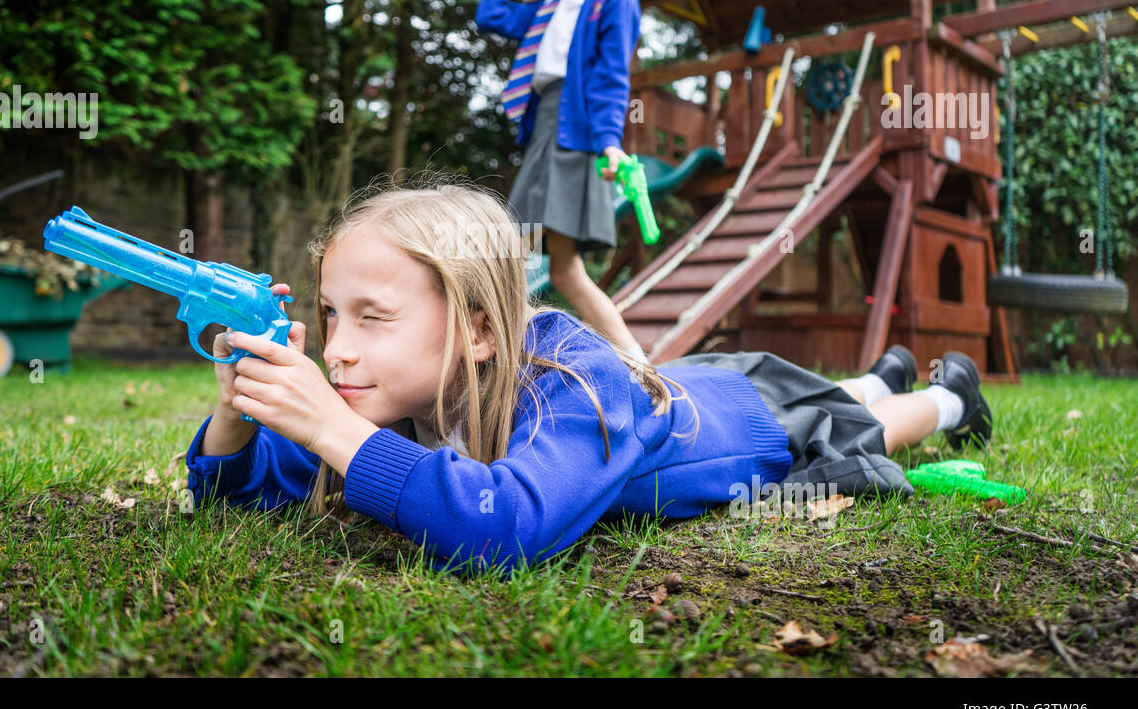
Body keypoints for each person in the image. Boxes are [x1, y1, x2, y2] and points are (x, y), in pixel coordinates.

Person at [185, 176, 994, 578]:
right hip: (683, 379)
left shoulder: (570, 379)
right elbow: (242, 494)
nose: (339, 349)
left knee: (859, 424)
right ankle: (876, 374)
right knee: (842, 391)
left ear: (477, 330)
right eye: (331, 314)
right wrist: (238, 419)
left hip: (750, 423)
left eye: (373, 316)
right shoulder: (390, 395)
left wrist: (331, 426)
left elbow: (504, 530)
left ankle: (948, 389)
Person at [473, 0, 646, 363]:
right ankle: (634, 363)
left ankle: (637, 366)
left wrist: (610, 142)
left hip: (576, 132)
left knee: (512, 249)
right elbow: (489, 15)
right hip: (546, 126)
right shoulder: (549, 2)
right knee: (556, 267)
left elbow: (613, 77)